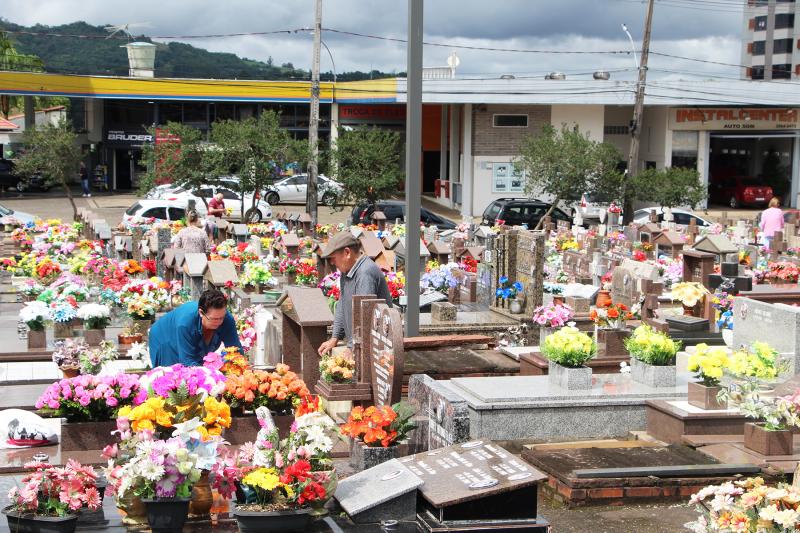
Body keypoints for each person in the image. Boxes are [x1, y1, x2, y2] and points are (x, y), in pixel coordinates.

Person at [317, 232, 392, 355]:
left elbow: (365, 314)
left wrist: (352, 347)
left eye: (333, 258)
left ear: (347, 253)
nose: (331, 262)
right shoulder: (347, 270)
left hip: (375, 347)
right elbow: (342, 302)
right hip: (361, 342)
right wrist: (335, 337)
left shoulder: (365, 272)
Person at [148, 289, 243, 367]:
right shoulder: (185, 323)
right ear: (201, 313)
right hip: (165, 338)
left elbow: (235, 350)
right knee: (172, 377)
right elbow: (187, 361)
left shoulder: (227, 319)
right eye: (214, 319)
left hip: (184, 331)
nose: (219, 322)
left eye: (221, 318)